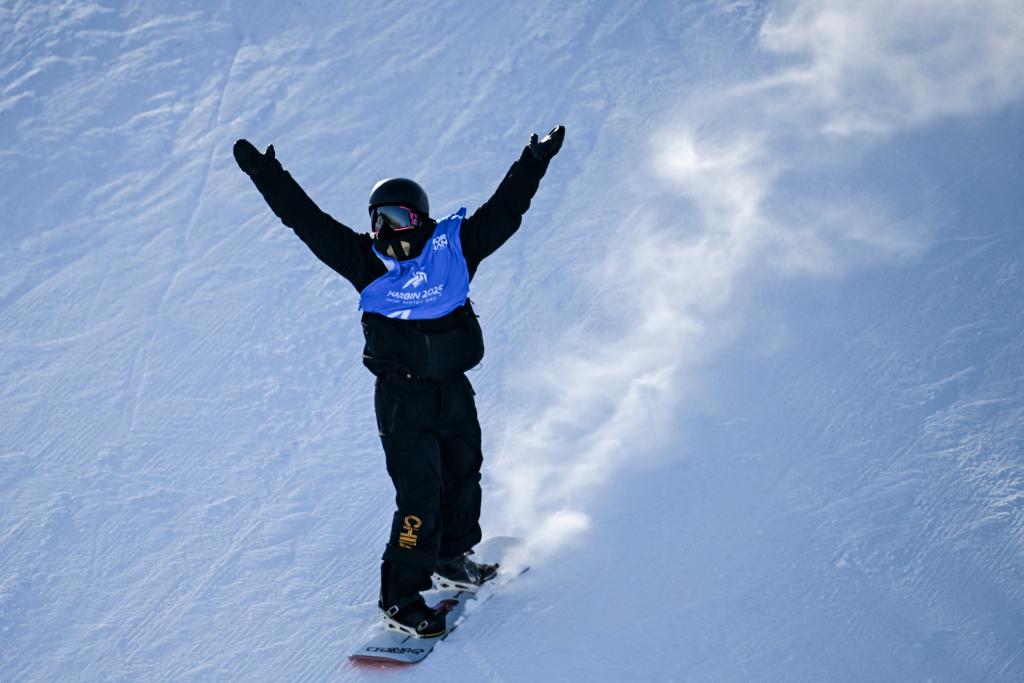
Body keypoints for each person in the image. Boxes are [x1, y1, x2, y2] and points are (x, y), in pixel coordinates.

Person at [233, 125, 565, 637]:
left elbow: (506, 210)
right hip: (401, 401)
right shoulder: (366, 263)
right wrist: (267, 174)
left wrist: (533, 161)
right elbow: (305, 220)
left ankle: (452, 558)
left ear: (421, 218)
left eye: (398, 218)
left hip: (452, 389)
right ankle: (399, 598)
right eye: (377, 221)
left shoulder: (455, 250)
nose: (388, 231)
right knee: (419, 497)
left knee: (464, 474)